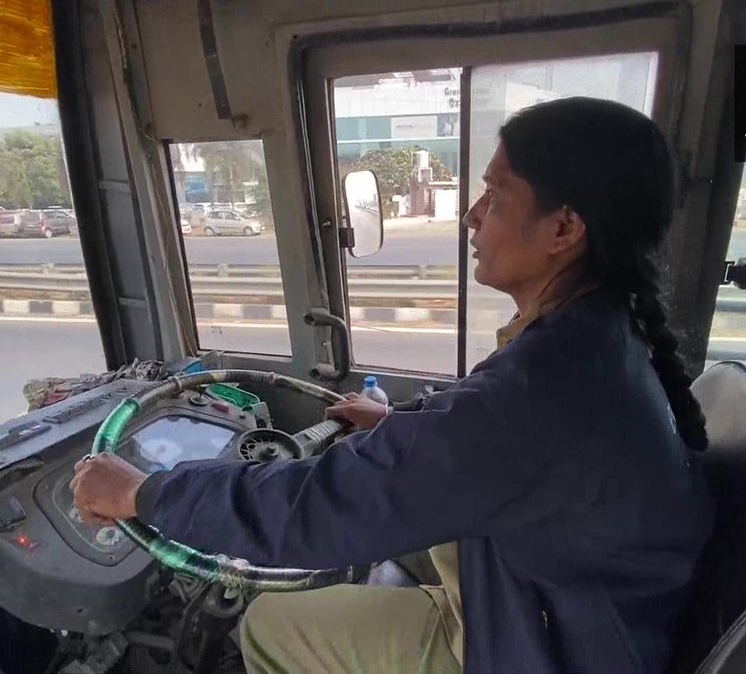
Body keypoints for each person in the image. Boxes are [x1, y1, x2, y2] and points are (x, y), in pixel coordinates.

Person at [70, 97, 715, 673]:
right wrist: (395, 427)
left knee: (267, 625)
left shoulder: (547, 384)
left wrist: (146, 494)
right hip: (569, 604)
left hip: (545, 643)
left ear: (564, 229)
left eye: (495, 194)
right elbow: (484, 444)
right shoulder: (592, 339)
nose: (472, 214)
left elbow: (325, 504)